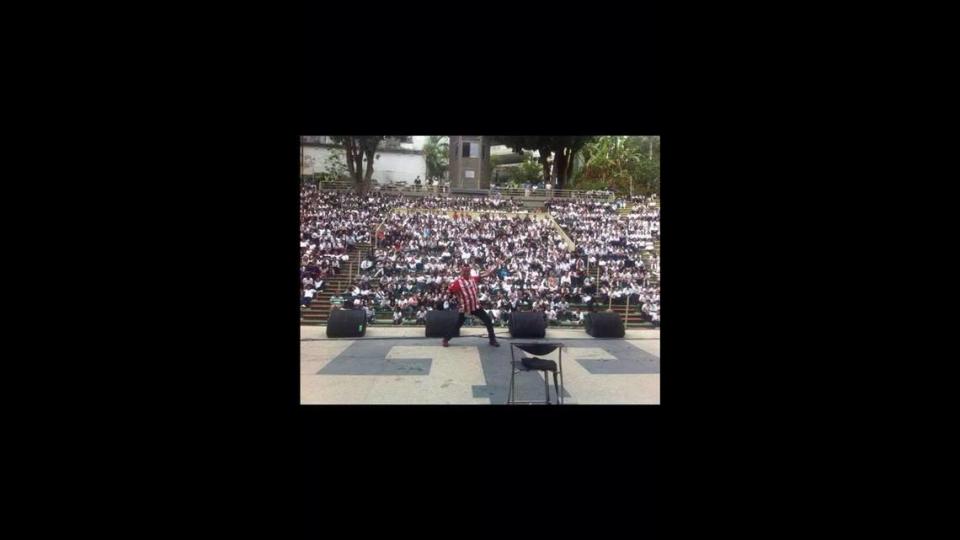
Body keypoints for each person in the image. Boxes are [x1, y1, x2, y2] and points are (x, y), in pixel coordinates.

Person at [442, 264, 500, 347]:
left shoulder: (473, 278)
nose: (466, 272)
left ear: (469, 271)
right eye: (465, 271)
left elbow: (481, 276)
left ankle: (492, 340)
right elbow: (450, 291)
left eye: (468, 271)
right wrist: (454, 297)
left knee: (488, 321)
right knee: (457, 325)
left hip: (476, 306)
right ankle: (446, 339)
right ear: (462, 272)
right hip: (465, 309)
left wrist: (489, 271)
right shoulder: (457, 282)